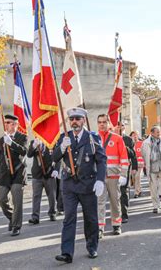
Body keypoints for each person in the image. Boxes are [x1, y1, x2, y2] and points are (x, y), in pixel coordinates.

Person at [53, 107, 107, 263]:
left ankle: (92, 247)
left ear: (84, 120)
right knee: (68, 218)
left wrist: (99, 180)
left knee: (90, 218)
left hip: (88, 184)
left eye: (77, 118)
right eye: (71, 119)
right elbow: (54, 158)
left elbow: (101, 160)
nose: (74, 122)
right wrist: (62, 147)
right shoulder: (64, 137)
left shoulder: (92, 138)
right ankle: (67, 253)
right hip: (69, 185)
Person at [0, 114, 28, 236]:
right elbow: (0, 157)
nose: (6, 124)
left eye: (9, 122)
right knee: (2, 199)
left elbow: (24, 151)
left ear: (15, 124)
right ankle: (12, 217)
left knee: (17, 200)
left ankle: (16, 226)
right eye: (6, 122)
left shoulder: (22, 137)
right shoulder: (1, 139)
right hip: (5, 174)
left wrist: (12, 143)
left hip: (18, 173)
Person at [97, 116, 129, 237]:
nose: (102, 124)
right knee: (99, 202)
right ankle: (100, 227)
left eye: (104, 122)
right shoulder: (94, 138)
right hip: (99, 177)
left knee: (115, 202)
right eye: (99, 122)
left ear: (109, 123)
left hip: (114, 176)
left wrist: (123, 175)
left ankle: (116, 224)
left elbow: (124, 158)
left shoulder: (117, 138)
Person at [27, 137, 57, 224]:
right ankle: (35, 217)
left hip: (49, 173)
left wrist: (56, 170)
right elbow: (29, 154)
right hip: (37, 174)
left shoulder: (51, 140)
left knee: (51, 195)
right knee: (36, 196)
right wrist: (34, 146)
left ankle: (52, 213)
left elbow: (57, 157)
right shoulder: (34, 141)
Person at [141, 125, 161, 213]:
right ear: (152, 133)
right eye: (157, 132)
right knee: (153, 189)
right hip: (152, 168)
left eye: (159, 132)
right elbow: (143, 154)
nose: (159, 133)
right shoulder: (146, 143)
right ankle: (155, 206)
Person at [115, 121, 137, 224]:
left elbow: (133, 154)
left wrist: (125, 147)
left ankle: (124, 214)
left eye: (122, 125)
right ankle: (116, 214)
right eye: (118, 125)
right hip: (113, 168)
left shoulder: (128, 139)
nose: (120, 127)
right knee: (114, 192)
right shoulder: (110, 138)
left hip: (124, 168)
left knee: (123, 191)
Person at [130, 131, 144, 198]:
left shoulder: (141, 143)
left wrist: (144, 163)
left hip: (140, 164)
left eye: (136, 135)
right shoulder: (130, 144)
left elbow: (144, 153)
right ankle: (139, 189)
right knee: (134, 178)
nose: (135, 136)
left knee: (137, 176)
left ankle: (136, 192)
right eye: (133, 135)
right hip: (132, 164)